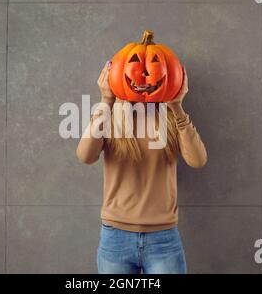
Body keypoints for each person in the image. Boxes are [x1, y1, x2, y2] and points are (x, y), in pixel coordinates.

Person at [76, 61, 208, 274]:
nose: (144, 76)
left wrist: (177, 105)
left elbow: (198, 160)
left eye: (154, 66)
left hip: (164, 239)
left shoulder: (171, 117)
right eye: (135, 65)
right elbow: (85, 156)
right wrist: (106, 101)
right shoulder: (110, 117)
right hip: (116, 237)